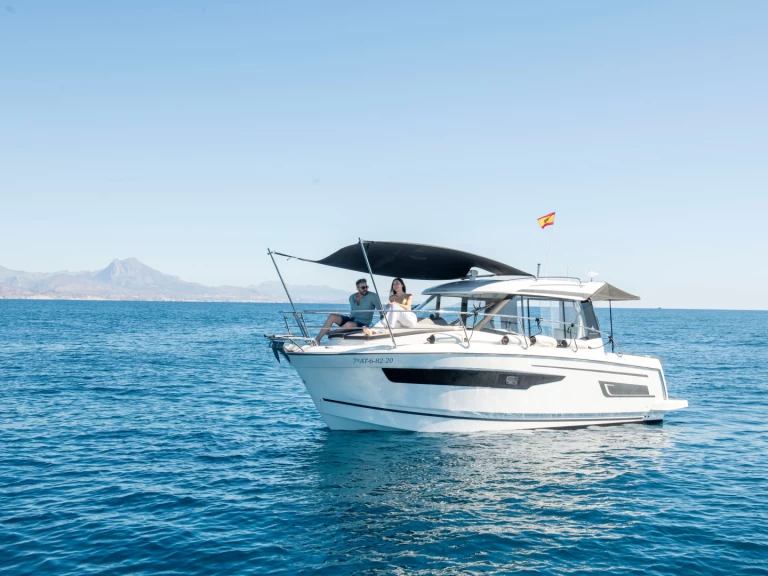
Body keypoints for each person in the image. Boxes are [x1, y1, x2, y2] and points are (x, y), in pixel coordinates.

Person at [314, 278, 382, 344]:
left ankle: (331, 333)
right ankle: (318, 339)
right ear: (357, 288)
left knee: (349, 324)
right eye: (363, 287)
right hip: (351, 319)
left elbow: (381, 310)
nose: (365, 289)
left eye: (366, 287)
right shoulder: (352, 297)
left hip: (362, 324)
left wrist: (384, 322)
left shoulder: (373, 297)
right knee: (332, 316)